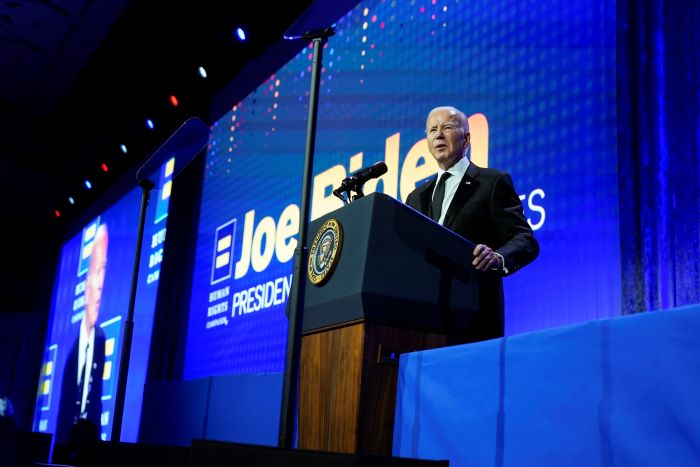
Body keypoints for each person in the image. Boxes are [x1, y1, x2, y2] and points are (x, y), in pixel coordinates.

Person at [406, 106, 539, 342]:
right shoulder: (416, 197)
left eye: (447, 127)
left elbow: (525, 240)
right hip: (423, 325)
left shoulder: (491, 183)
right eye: (432, 130)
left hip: (474, 321)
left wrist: (498, 258)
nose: (438, 135)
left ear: (466, 138)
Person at [56, 224, 108, 445]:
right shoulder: (70, 351)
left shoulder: (101, 341)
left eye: (104, 272)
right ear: (86, 282)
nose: (99, 287)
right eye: (96, 272)